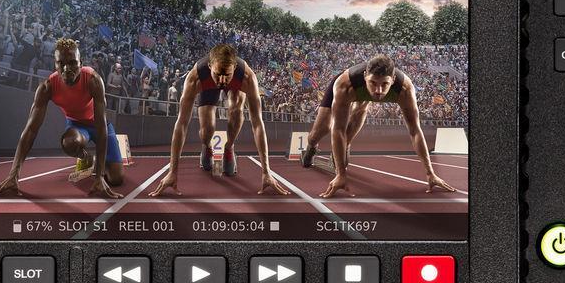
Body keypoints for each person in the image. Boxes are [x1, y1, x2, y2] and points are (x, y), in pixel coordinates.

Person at [301, 53, 457, 198]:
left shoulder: (405, 89)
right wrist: (340, 175)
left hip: (362, 96)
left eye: (384, 84)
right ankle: (311, 147)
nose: (378, 91)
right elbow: (338, 129)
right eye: (373, 83)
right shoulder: (345, 84)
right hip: (351, 90)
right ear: (365, 77)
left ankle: (345, 146)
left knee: (360, 111)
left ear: (393, 79)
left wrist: (430, 173)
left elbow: (415, 131)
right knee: (321, 129)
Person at [0, 39, 124, 200]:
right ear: (55, 65)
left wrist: (100, 176)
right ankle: (87, 157)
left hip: (100, 125)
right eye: (61, 64)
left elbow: (101, 127)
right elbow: (31, 130)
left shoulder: (93, 80)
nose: (67, 69)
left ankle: (99, 165)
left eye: (72, 63)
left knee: (116, 179)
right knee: (69, 143)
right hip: (77, 126)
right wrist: (13, 175)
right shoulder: (47, 87)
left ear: (81, 63)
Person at [149, 43, 289, 197]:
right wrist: (172, 172)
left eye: (227, 75)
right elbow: (182, 123)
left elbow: (257, 124)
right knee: (207, 129)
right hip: (207, 85)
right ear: (209, 66)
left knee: (236, 110)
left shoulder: (247, 77)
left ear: (234, 67)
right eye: (217, 74)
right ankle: (207, 145)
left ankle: (229, 148)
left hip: (235, 86)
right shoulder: (195, 77)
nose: (222, 81)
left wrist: (266, 172)